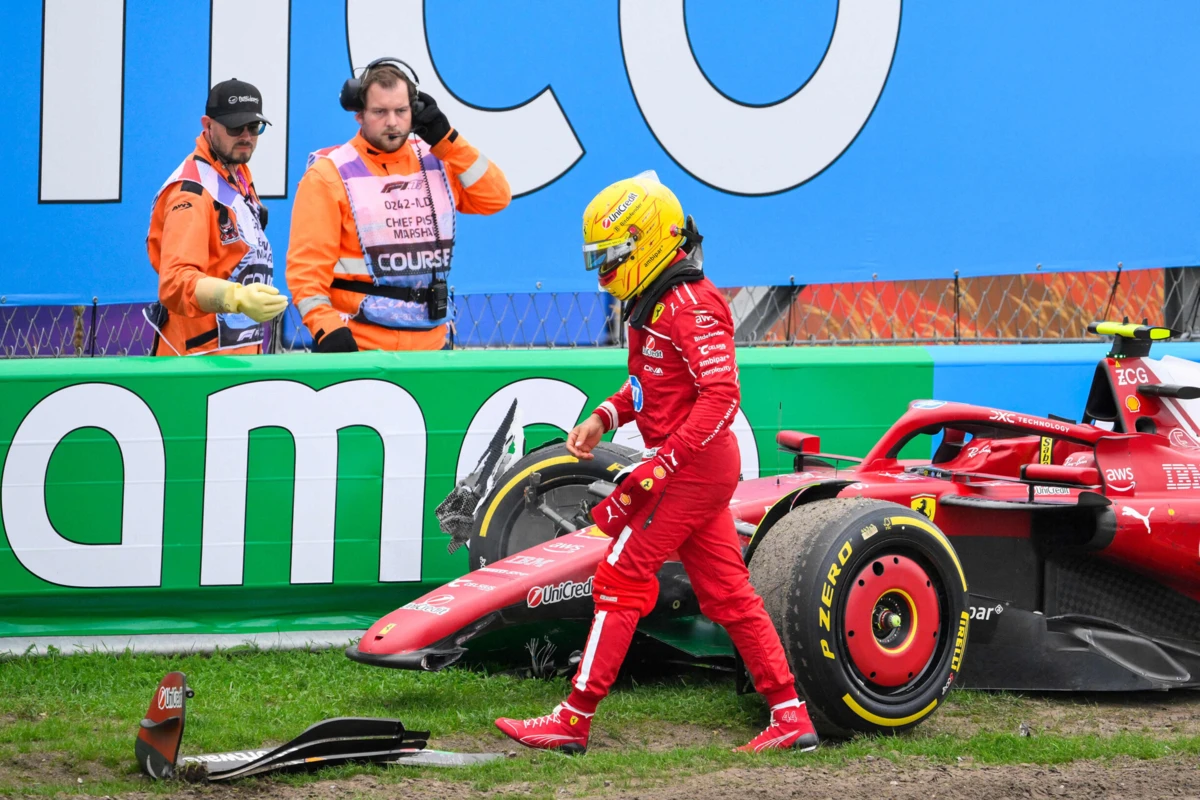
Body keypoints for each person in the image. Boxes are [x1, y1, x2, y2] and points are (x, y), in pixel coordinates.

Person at [495, 172, 819, 755]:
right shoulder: (656, 302)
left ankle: (573, 718)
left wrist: (660, 466)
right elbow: (650, 387)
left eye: (610, 258)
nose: (601, 274)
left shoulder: (690, 305)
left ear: (645, 244)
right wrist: (606, 415)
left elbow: (722, 398)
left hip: (690, 468)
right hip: (689, 466)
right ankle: (790, 714)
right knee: (728, 595)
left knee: (620, 572)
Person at [287, 59, 511, 352]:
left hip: (432, 348)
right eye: (380, 112)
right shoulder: (329, 175)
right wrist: (327, 330)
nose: (392, 122)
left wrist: (448, 140)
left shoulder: (439, 160)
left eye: (401, 111)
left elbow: (496, 197)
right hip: (357, 347)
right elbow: (306, 274)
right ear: (359, 115)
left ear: (415, 111)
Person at [146, 79, 287, 356]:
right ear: (207, 125)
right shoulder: (192, 192)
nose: (246, 135)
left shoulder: (236, 174)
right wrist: (235, 297)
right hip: (198, 363)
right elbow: (174, 282)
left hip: (237, 355)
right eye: (235, 127)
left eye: (254, 127)